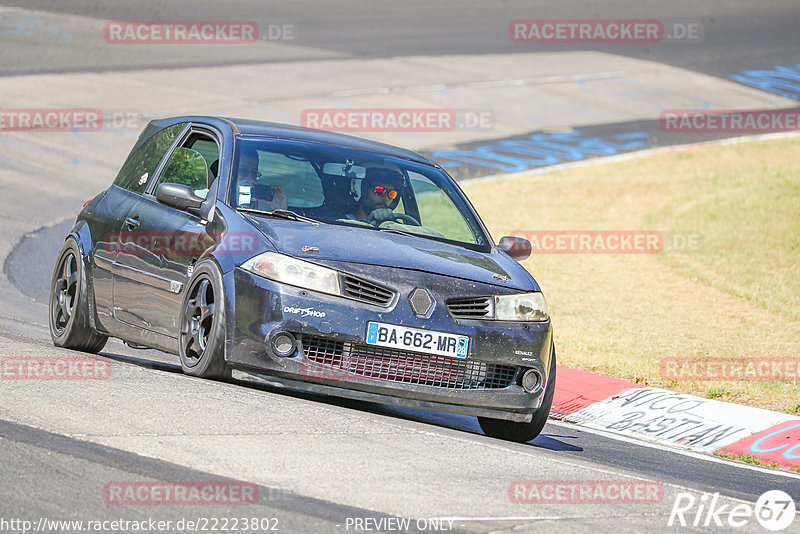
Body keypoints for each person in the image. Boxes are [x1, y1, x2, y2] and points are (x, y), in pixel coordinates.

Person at [235, 146, 287, 211]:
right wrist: (234, 196)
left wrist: (280, 210)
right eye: (243, 171)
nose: (250, 178)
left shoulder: (263, 203)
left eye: (254, 173)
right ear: (231, 172)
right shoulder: (221, 196)